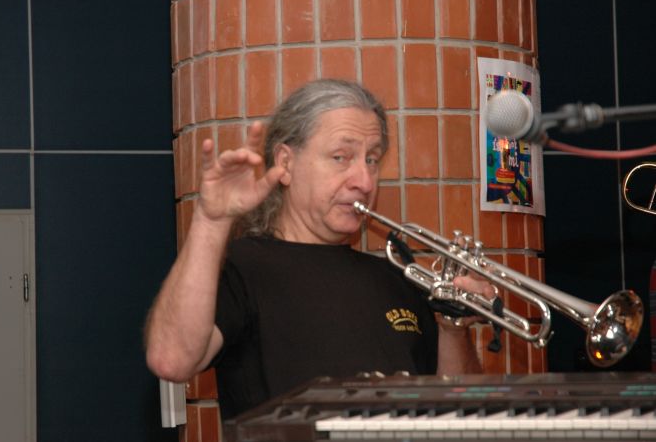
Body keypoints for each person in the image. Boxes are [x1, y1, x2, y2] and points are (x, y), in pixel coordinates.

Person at [145, 79, 496, 420]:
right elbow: (171, 360)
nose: (364, 181)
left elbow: (462, 417)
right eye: (341, 157)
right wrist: (211, 220)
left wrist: (453, 328)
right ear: (286, 163)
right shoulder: (242, 265)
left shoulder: (397, 276)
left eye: (372, 160)